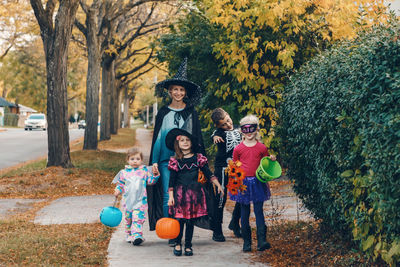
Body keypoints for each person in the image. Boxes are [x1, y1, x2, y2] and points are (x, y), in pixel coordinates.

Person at [147, 58, 206, 234]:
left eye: (181, 90)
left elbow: (197, 138)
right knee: (168, 195)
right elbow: (157, 139)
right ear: (170, 92)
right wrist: (155, 162)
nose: (178, 93)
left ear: (185, 92)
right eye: (175, 89)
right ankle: (170, 232)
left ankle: (184, 232)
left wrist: (200, 161)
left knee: (187, 197)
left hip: (187, 161)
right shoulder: (163, 113)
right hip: (167, 160)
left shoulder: (191, 112)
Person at [166, 128, 224, 256]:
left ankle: (188, 245)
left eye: (188, 140)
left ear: (192, 143)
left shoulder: (198, 158)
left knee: (190, 221)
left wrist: (218, 185)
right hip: (180, 194)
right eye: (182, 140)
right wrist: (170, 197)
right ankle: (177, 243)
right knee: (180, 220)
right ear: (178, 144)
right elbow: (172, 181)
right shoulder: (175, 161)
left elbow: (208, 173)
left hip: (194, 195)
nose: (185, 142)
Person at [230, 114, 276, 252]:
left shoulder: (262, 148)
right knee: (244, 213)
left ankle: (262, 241)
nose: (249, 132)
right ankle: (247, 242)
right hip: (243, 183)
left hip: (257, 183)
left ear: (257, 130)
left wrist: (272, 159)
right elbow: (235, 167)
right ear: (241, 131)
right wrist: (235, 183)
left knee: (258, 211)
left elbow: (265, 164)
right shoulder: (238, 149)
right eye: (245, 129)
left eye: (252, 129)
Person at [113, 148, 160, 245]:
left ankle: (137, 236)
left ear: (141, 160)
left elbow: (150, 182)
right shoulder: (123, 173)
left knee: (137, 219)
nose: (135, 161)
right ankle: (129, 234)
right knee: (129, 219)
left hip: (140, 202)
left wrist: (155, 175)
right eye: (132, 159)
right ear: (128, 160)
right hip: (127, 202)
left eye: (138, 159)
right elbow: (121, 184)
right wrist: (118, 190)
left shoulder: (144, 171)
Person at [209, 108, 242, 242]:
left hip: (238, 168)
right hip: (222, 168)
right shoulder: (219, 133)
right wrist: (214, 136)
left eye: (228, 121)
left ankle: (235, 222)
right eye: (223, 124)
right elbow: (214, 134)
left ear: (229, 115)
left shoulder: (239, 129)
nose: (228, 125)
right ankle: (217, 229)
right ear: (218, 126)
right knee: (221, 197)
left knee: (242, 196)